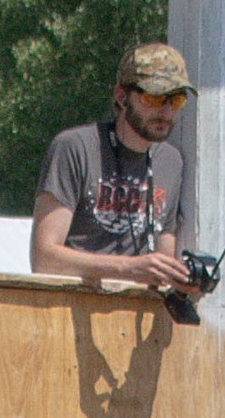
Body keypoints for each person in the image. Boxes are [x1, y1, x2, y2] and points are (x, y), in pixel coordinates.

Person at [30, 43, 196, 287]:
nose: (166, 110)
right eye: (154, 97)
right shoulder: (76, 147)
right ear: (122, 97)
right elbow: (43, 258)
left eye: (177, 99)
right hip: (70, 308)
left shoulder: (171, 161)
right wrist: (128, 268)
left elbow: (163, 261)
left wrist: (186, 281)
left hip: (134, 316)